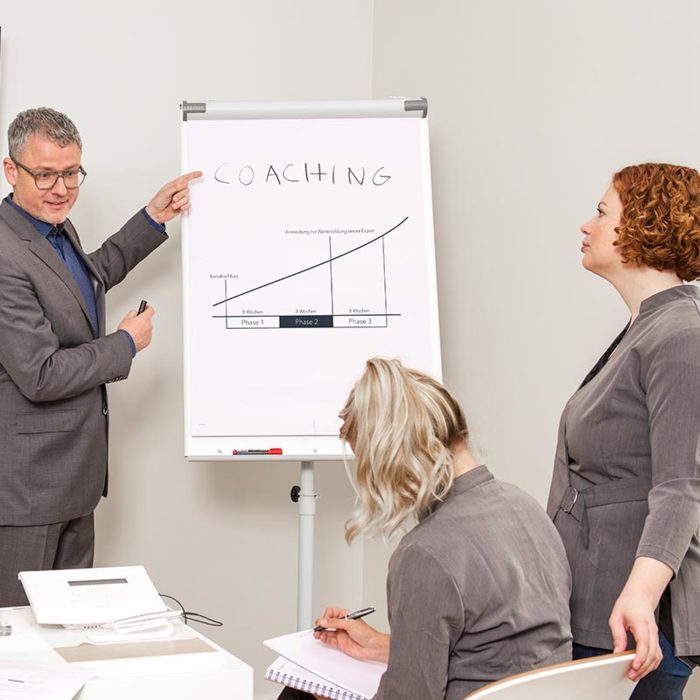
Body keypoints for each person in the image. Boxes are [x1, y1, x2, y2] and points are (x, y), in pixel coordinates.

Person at [280, 358, 572, 700]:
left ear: (396, 458)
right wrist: (379, 646)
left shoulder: (424, 553)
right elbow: (493, 650)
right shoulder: (526, 507)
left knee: (300, 690)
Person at [0, 107, 201, 606]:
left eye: (71, 173)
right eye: (45, 174)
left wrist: (152, 217)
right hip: (26, 493)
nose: (61, 188)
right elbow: (40, 375)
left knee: (67, 634)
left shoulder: (52, 227)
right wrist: (125, 344)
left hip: (73, 479)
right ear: (11, 171)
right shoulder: (5, 253)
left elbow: (87, 278)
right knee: (16, 650)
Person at [547, 163, 700, 698]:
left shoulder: (681, 333)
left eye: (601, 212)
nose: (586, 226)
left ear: (645, 225)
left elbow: (682, 486)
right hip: (597, 608)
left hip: (633, 621)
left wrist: (640, 597)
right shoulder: (649, 325)